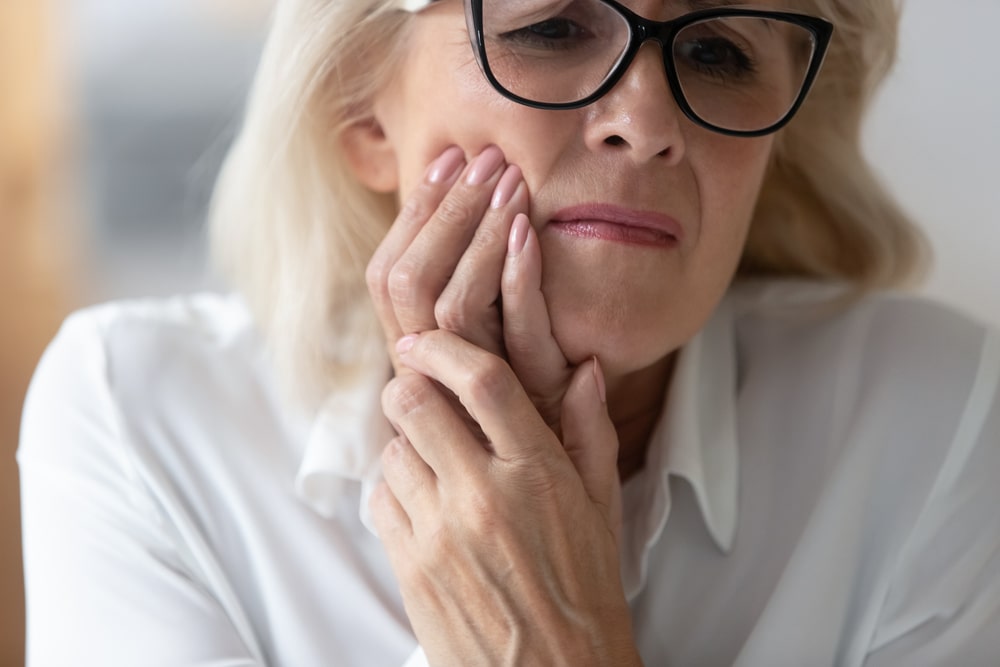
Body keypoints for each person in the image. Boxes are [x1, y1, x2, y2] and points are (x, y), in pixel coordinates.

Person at [18, 0, 1000, 664]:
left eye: (717, 51)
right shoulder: (138, 415)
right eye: (553, 26)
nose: (646, 118)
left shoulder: (934, 421)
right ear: (361, 111)